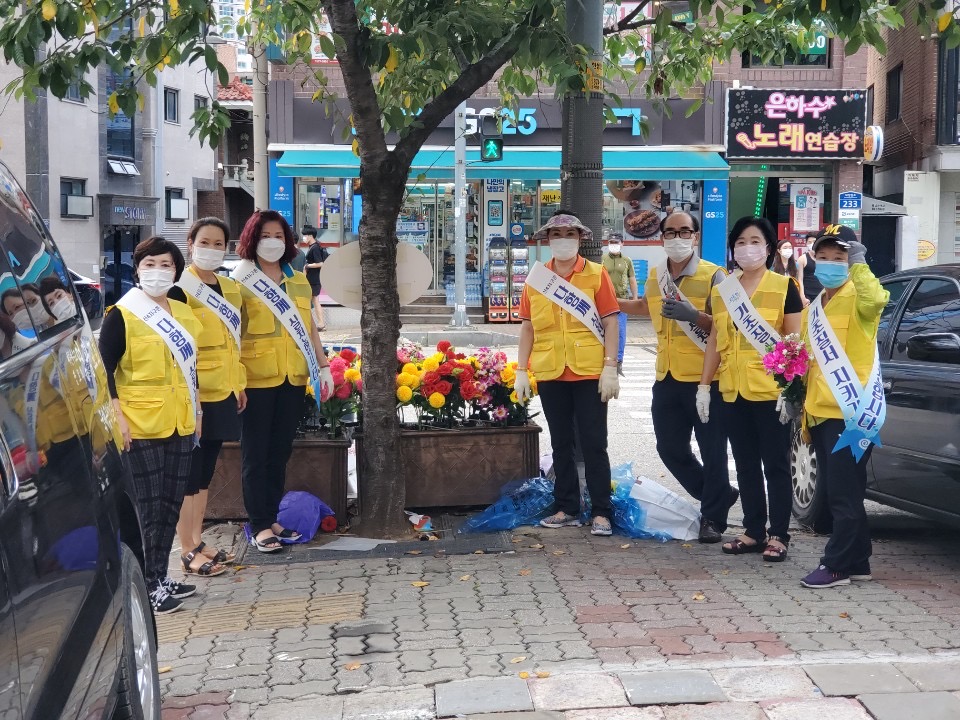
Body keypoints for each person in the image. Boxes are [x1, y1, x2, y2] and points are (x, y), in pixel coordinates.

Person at [98, 236, 203, 614]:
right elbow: (103, 368)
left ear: (176, 271)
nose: (158, 272)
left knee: (170, 504)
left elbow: (190, 369)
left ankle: (159, 575)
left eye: (166, 265)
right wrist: (117, 418)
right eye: (149, 264)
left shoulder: (183, 311)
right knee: (147, 509)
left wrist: (198, 413)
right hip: (139, 426)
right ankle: (143, 584)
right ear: (137, 269)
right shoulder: (122, 314)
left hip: (180, 422)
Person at [618, 211, 737, 543]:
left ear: (695, 237)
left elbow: (728, 327)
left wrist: (695, 315)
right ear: (661, 237)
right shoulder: (656, 276)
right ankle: (719, 494)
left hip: (705, 379)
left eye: (685, 231)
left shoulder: (715, 276)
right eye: (670, 232)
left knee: (713, 450)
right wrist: (612, 303)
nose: (677, 238)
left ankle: (713, 518)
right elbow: (647, 306)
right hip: (667, 376)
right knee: (670, 448)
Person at [698, 217, 803, 562]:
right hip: (732, 390)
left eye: (755, 241)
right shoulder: (723, 289)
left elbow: (793, 342)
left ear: (769, 247)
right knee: (744, 464)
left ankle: (779, 534)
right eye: (740, 241)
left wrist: (791, 391)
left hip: (770, 392)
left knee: (775, 464)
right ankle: (753, 530)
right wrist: (703, 385)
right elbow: (715, 338)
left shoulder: (784, 286)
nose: (747, 248)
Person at [514, 210, 621, 536]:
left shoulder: (596, 274)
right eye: (557, 235)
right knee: (560, 444)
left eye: (570, 235)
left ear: (580, 239)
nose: (563, 241)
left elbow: (611, 320)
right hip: (550, 373)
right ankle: (567, 507)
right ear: (547, 241)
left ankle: (602, 510)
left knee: (593, 443)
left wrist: (610, 367)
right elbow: (528, 327)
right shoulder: (536, 280)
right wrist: (521, 370)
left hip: (589, 372)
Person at [234, 210, 333, 553]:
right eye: (265, 235)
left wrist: (323, 366)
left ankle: (272, 516)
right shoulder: (239, 281)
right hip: (255, 380)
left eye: (279, 235)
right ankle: (258, 524)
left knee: (279, 452)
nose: (272, 242)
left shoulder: (298, 280)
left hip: (293, 377)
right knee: (255, 453)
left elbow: (308, 329)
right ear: (252, 238)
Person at [799, 225, 889, 588]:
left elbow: (876, 300)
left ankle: (836, 565)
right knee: (844, 488)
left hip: (852, 413)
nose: (831, 264)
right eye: (824, 257)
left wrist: (859, 263)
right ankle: (858, 560)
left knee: (841, 492)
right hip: (821, 411)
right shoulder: (816, 305)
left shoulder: (859, 295)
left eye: (840, 257)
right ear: (814, 260)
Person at [169, 217, 247, 577]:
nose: (212, 249)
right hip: (194, 395)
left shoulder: (229, 287)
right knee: (190, 472)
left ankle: (198, 540)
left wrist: (239, 384)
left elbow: (234, 343)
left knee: (205, 472)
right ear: (190, 242)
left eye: (219, 243)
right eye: (206, 241)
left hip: (224, 391)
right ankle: (186, 549)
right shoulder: (178, 289)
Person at [601, 233, 636, 375]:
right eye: (611, 242)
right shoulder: (602, 260)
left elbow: (632, 279)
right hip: (605, 301)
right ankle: (606, 359)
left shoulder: (627, 261)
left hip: (622, 301)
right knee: (605, 331)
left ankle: (619, 362)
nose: (613, 244)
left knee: (620, 332)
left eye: (616, 242)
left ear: (622, 244)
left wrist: (634, 299)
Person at [303, 225, 329, 331]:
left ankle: (319, 323)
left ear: (310, 236)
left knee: (312, 301)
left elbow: (320, 263)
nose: (304, 238)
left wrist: (307, 266)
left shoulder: (315, 248)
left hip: (313, 279)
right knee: (314, 300)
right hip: (313, 278)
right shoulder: (314, 247)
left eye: (305, 235)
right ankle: (320, 323)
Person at [799, 233, 823, 303]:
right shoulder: (802, 259)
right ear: (806, 244)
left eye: (814, 242)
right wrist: (802, 296)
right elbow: (800, 279)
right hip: (808, 296)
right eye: (809, 242)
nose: (812, 244)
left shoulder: (824, 258)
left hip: (821, 294)